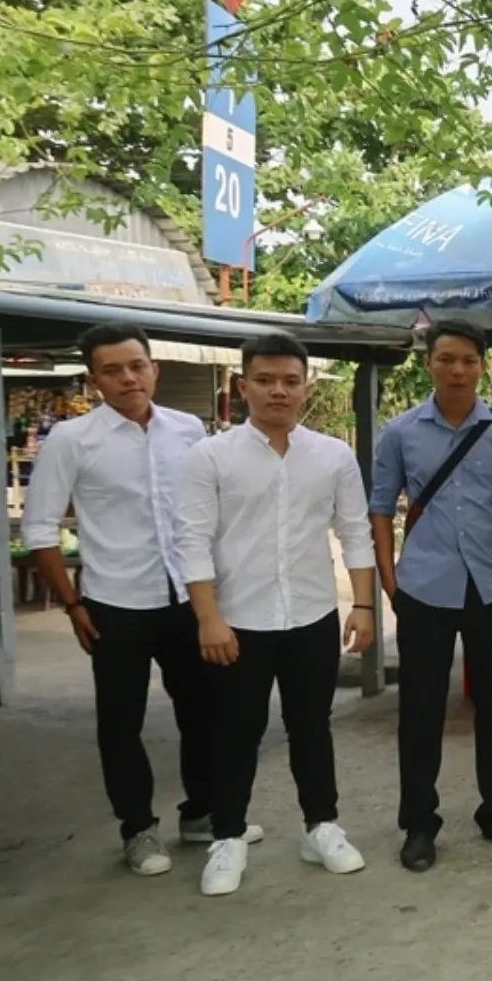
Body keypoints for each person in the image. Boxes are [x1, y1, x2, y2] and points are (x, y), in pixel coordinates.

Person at [22, 322, 263, 876]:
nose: (128, 378)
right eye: (113, 370)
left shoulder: (188, 431)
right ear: (94, 379)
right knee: (120, 722)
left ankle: (201, 814)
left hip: (187, 600)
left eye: (136, 366)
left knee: (204, 711)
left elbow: (210, 512)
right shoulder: (71, 441)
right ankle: (138, 830)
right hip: (115, 603)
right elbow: (39, 530)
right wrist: (73, 604)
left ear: (154, 369)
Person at [173, 332, 376, 897]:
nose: (279, 391)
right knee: (236, 731)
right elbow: (190, 541)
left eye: (290, 380)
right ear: (243, 387)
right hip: (238, 619)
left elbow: (354, 531)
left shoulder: (332, 455)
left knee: (312, 727)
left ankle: (321, 827)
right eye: (265, 380)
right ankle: (228, 836)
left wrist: (362, 604)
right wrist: (207, 617)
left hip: (311, 614)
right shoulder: (210, 457)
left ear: (306, 386)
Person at [371, 318, 492, 873]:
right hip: (424, 585)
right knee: (420, 711)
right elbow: (379, 506)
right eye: (447, 359)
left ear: (482, 365)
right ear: (429, 363)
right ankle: (419, 823)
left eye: (468, 360)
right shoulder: (399, 432)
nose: (458, 370)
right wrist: (388, 576)